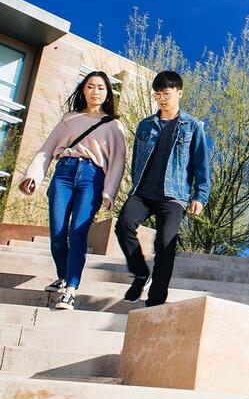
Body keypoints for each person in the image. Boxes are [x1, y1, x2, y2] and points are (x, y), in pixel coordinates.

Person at [19, 71, 126, 311]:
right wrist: (33, 175)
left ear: (108, 92)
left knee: (77, 233)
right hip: (64, 173)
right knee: (57, 232)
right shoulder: (69, 119)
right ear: (83, 90)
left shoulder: (113, 124)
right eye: (90, 86)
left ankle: (70, 290)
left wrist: (109, 191)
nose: (95, 92)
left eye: (101, 87)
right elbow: (47, 150)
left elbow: (118, 161)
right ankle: (63, 276)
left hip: (92, 177)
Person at [116, 70, 210, 307]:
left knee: (165, 247)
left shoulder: (192, 126)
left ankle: (155, 302)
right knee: (124, 224)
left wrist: (200, 195)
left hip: (174, 195)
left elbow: (201, 162)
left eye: (166, 93)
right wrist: (134, 187)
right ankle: (140, 271)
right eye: (157, 94)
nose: (162, 99)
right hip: (143, 191)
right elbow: (137, 159)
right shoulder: (146, 125)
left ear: (179, 93)